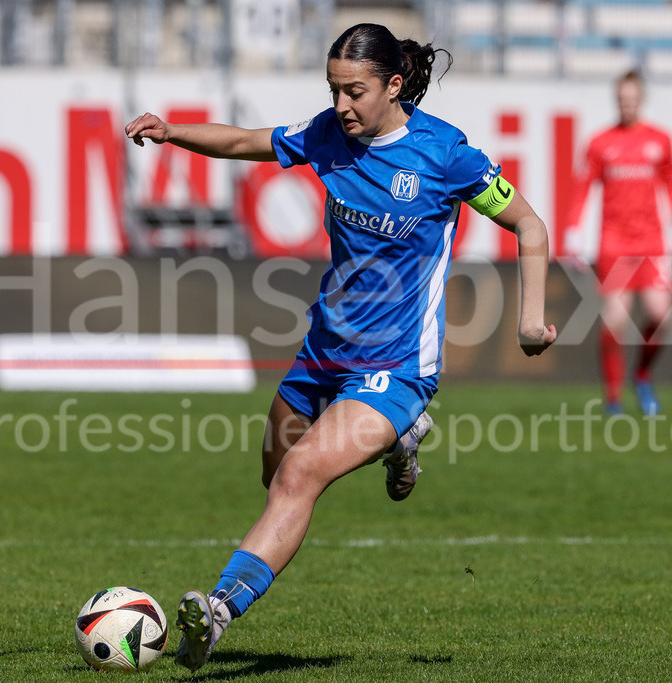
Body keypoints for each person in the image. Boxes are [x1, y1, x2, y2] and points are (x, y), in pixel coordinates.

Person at [124, 23, 557, 673]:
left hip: (397, 367)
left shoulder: (446, 155)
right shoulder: (329, 135)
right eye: (333, 90)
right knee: (275, 476)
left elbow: (529, 224)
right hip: (323, 351)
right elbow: (245, 141)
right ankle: (399, 442)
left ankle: (216, 611)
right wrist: (171, 132)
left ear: (393, 85)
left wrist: (530, 320)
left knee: (300, 475)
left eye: (354, 91)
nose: (341, 105)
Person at [563, 69, 672, 416]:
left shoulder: (660, 140)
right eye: (621, 99)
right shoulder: (600, 143)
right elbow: (582, 188)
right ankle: (614, 398)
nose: (626, 104)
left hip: (652, 243)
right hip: (615, 243)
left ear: (641, 100)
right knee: (615, 320)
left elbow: (671, 186)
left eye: (631, 99)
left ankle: (642, 374)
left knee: (661, 316)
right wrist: (573, 233)